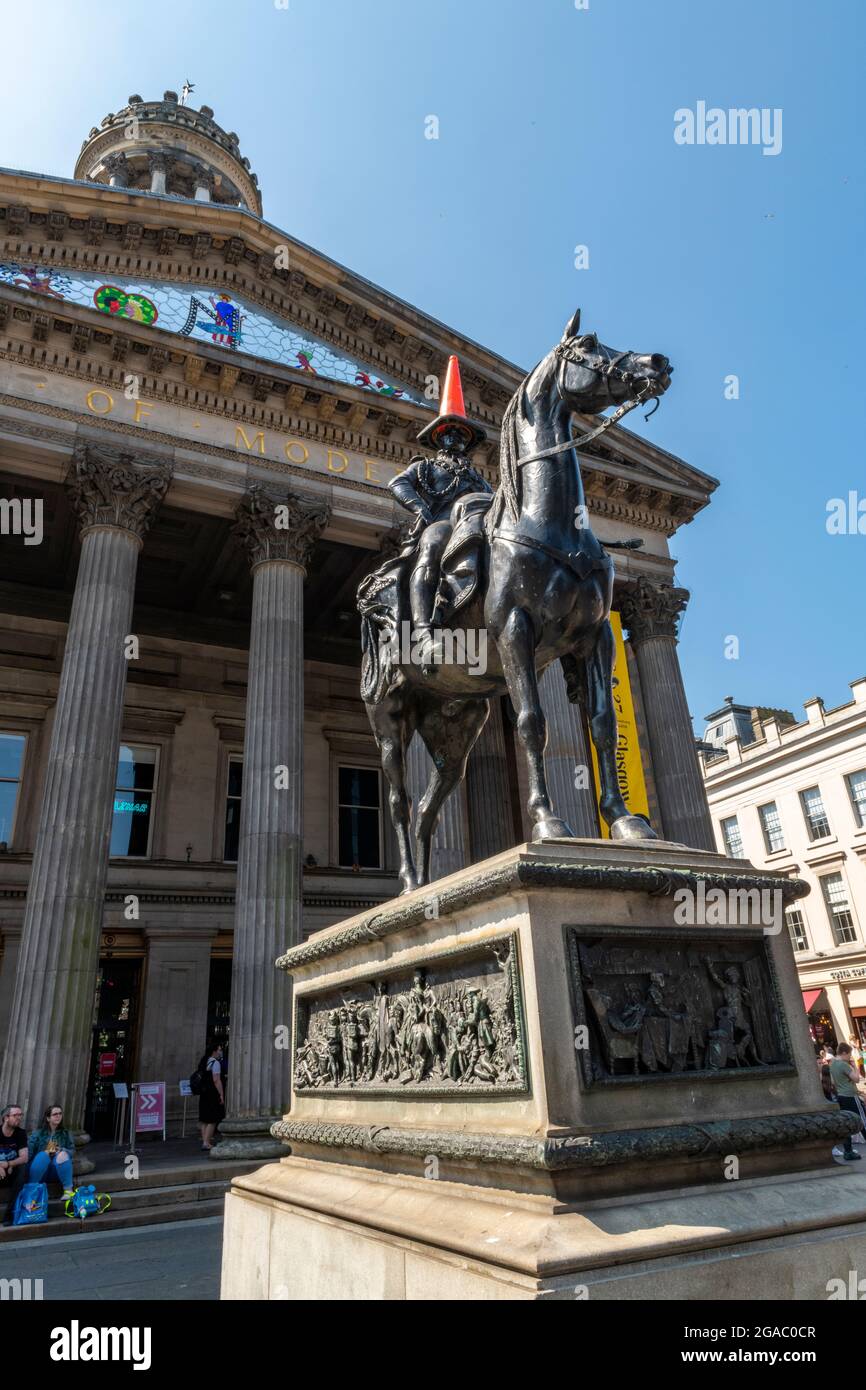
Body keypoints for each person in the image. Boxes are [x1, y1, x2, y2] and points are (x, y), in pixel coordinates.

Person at [28, 1104, 75, 1198]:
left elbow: (72, 1151)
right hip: (39, 1171)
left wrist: (61, 1150)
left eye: (60, 1113)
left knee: (63, 1154)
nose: (58, 1116)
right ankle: (31, 1191)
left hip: (56, 1170)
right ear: (48, 1118)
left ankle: (68, 1191)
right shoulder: (37, 1134)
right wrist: (46, 1153)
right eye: (55, 1114)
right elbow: (28, 1154)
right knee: (43, 1155)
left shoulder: (65, 1133)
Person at [829, 1043, 865, 1161]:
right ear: (844, 1053)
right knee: (862, 1119)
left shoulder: (832, 1064)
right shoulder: (843, 1064)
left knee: (847, 1123)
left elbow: (833, 1082)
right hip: (850, 1095)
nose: (850, 1057)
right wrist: (854, 1066)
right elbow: (856, 1078)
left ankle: (848, 1151)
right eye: (849, 1054)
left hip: (841, 1096)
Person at [0, 1102, 29, 1225]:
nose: (19, 1118)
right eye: (16, 1115)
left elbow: (24, 1158)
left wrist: (8, 1164)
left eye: (20, 1115)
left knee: (22, 1169)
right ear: (6, 1118)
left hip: (12, 1172)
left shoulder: (20, 1133)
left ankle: (9, 1214)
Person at [197, 1041, 225, 1151]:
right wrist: (221, 1094)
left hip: (204, 1093)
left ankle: (205, 1141)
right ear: (214, 1051)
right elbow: (216, 1080)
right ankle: (206, 1142)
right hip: (212, 1093)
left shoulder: (204, 1062)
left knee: (204, 1119)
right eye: (219, 1050)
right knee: (212, 1119)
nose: (220, 1052)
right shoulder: (215, 1063)